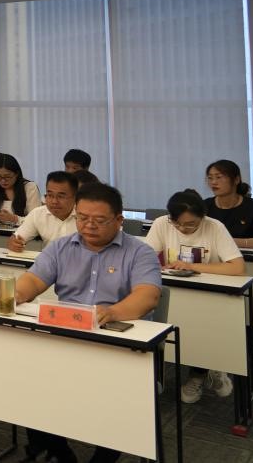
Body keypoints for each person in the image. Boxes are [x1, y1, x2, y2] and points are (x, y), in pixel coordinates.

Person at [14, 183, 160, 463]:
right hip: (68, 335)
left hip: (117, 342)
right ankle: (58, 452)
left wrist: (112, 312)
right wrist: (18, 294)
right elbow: (33, 279)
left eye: (99, 220)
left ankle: (103, 457)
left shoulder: (140, 252)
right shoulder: (61, 247)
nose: (89, 225)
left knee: (116, 398)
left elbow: (148, 296)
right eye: (82, 218)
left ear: (119, 220)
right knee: (29, 380)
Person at [145, 188, 245, 404]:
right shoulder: (162, 223)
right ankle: (203, 369)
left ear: (203, 216)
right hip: (175, 292)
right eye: (177, 223)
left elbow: (237, 267)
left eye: (191, 224)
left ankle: (206, 370)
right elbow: (145, 257)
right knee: (172, 334)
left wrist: (191, 266)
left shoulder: (215, 227)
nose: (183, 228)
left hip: (209, 296)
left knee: (202, 336)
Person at [8, 171, 79, 253]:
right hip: (49, 260)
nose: (54, 201)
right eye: (50, 195)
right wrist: (14, 243)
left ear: (75, 197)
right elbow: (16, 238)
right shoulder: (38, 214)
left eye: (61, 196)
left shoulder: (85, 216)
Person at [204, 160, 253, 248]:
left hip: (246, 255)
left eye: (219, 177)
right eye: (210, 178)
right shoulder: (204, 206)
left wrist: (231, 242)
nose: (213, 182)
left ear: (236, 180)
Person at [0, 153, 42, 224]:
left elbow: (36, 219)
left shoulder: (29, 188)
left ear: (17, 174)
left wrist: (15, 219)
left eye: (7, 176)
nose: (3, 181)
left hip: (21, 230)